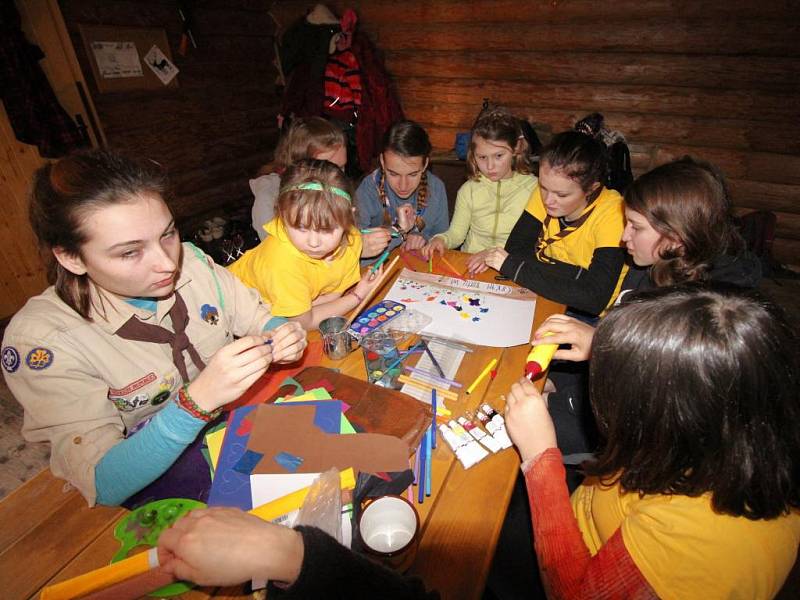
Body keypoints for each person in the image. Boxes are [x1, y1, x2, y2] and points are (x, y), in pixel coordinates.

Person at [1, 149, 307, 507]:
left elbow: (258, 317)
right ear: (70, 257)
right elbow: (104, 485)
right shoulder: (42, 342)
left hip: (235, 433)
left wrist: (283, 333)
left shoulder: (191, 262)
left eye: (168, 234)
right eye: (130, 253)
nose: (167, 263)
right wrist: (196, 404)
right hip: (151, 483)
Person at [504, 285, 800, 599]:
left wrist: (540, 457)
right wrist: (611, 349)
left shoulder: (703, 547)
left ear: (672, 412)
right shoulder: (726, 431)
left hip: (565, 562)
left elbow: (569, 593)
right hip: (580, 508)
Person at [532, 156, 762, 363]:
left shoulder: (712, 313)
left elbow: (660, 380)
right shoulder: (647, 264)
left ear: (677, 236)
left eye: (636, 227)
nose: (624, 237)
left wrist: (597, 344)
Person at [466, 128, 627, 318]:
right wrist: (576, 276)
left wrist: (517, 267)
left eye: (562, 195)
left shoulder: (614, 212)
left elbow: (593, 298)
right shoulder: (548, 190)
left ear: (592, 188)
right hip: (545, 294)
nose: (548, 200)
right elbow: (516, 250)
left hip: (590, 316)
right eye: (543, 187)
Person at [228, 159, 385, 330]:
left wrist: (315, 304)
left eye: (327, 229)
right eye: (301, 227)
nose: (314, 242)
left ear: (348, 217)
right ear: (282, 213)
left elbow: (333, 293)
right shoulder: (280, 262)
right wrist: (358, 295)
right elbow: (303, 322)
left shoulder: (351, 237)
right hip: (229, 318)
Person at [422, 107, 536, 257]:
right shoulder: (469, 189)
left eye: (499, 156)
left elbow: (532, 243)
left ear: (516, 148)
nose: (490, 166)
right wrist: (441, 239)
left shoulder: (534, 189)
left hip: (511, 265)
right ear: (472, 155)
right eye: (482, 157)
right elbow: (456, 234)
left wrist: (491, 256)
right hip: (470, 262)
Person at [356, 120, 449, 256]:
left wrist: (425, 239)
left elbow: (443, 238)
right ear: (382, 161)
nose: (403, 186)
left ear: (425, 164)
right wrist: (400, 233)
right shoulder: (368, 190)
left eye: (412, 174)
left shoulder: (436, 188)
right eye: (393, 174)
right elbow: (351, 249)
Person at [250, 117, 347, 241]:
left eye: (343, 167)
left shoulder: (336, 190)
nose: (340, 177)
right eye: (330, 169)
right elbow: (284, 257)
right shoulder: (269, 199)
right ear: (302, 167)